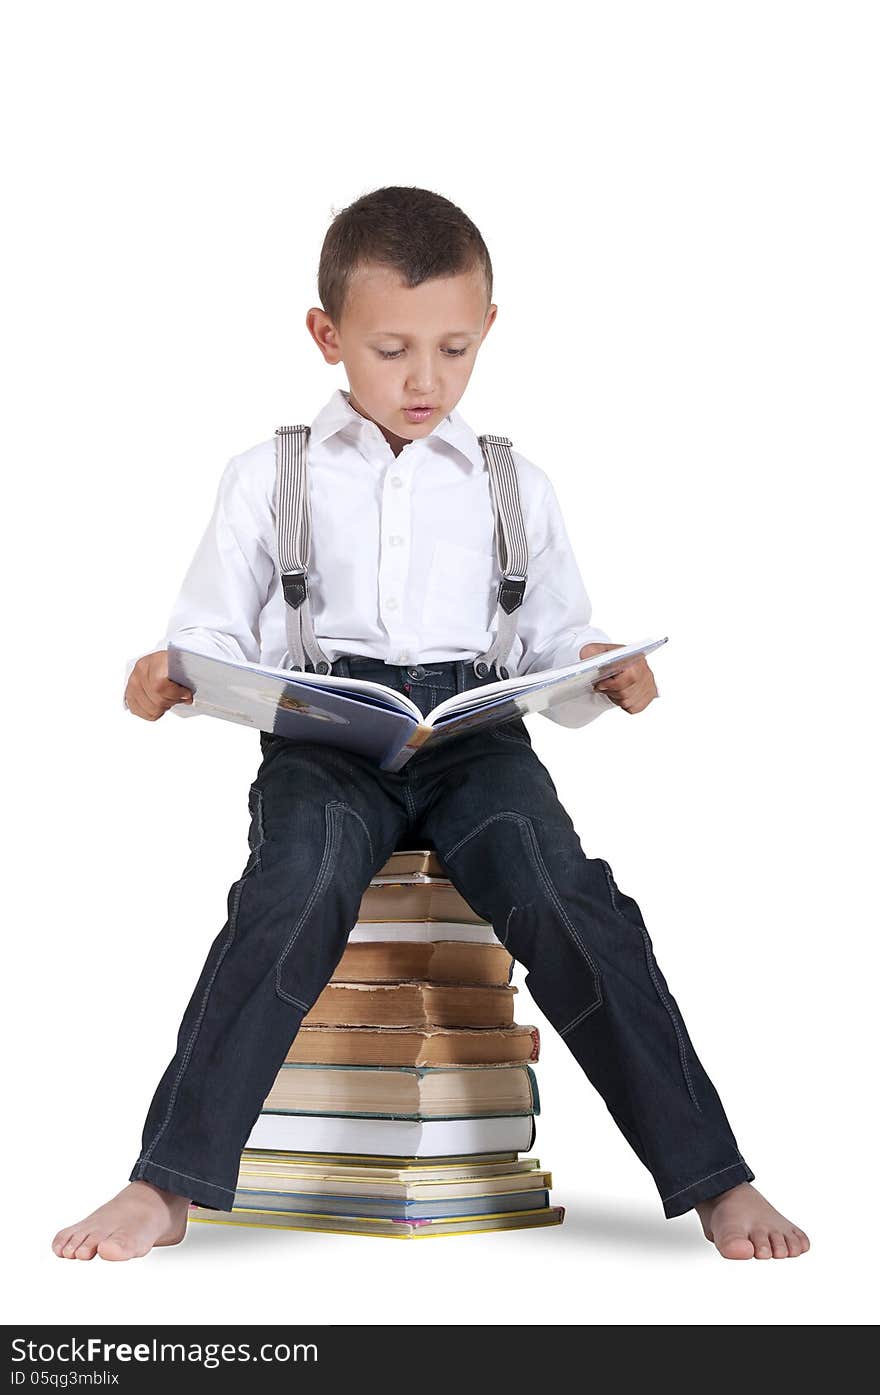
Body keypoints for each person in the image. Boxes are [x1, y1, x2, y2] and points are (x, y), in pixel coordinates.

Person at [52, 186, 809, 1263]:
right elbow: (208, 635)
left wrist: (602, 674)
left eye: (453, 349)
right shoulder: (270, 475)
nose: (424, 380)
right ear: (327, 337)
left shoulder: (514, 481)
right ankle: (167, 1182)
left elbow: (553, 642)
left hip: (475, 739)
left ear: (486, 331)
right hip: (325, 736)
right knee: (294, 887)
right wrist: (166, 677)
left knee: (566, 895)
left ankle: (714, 1179)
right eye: (392, 349)